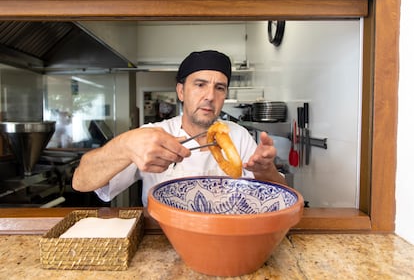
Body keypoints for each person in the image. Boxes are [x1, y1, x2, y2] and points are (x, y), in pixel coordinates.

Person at [72, 50, 286, 206]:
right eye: (200, 84)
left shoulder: (238, 136)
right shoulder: (153, 134)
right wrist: (125, 145)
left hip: (225, 238)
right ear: (181, 92)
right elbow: (81, 182)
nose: (210, 96)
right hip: (163, 238)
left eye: (219, 88)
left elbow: (280, 195)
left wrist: (266, 171)